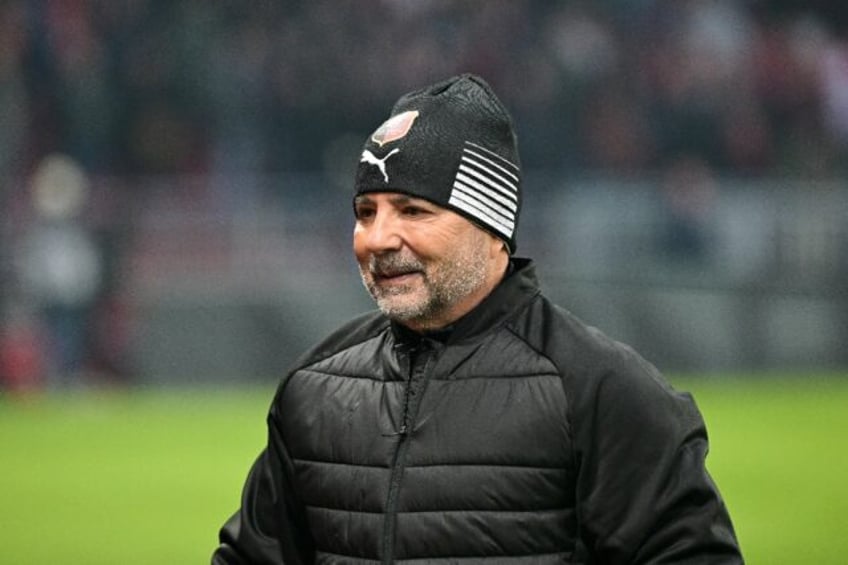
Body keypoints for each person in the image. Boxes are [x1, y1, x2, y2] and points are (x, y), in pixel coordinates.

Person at [213, 74, 743, 564]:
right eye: (365, 212)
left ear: (491, 227)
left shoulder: (602, 391)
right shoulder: (313, 388)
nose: (377, 239)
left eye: (413, 210)